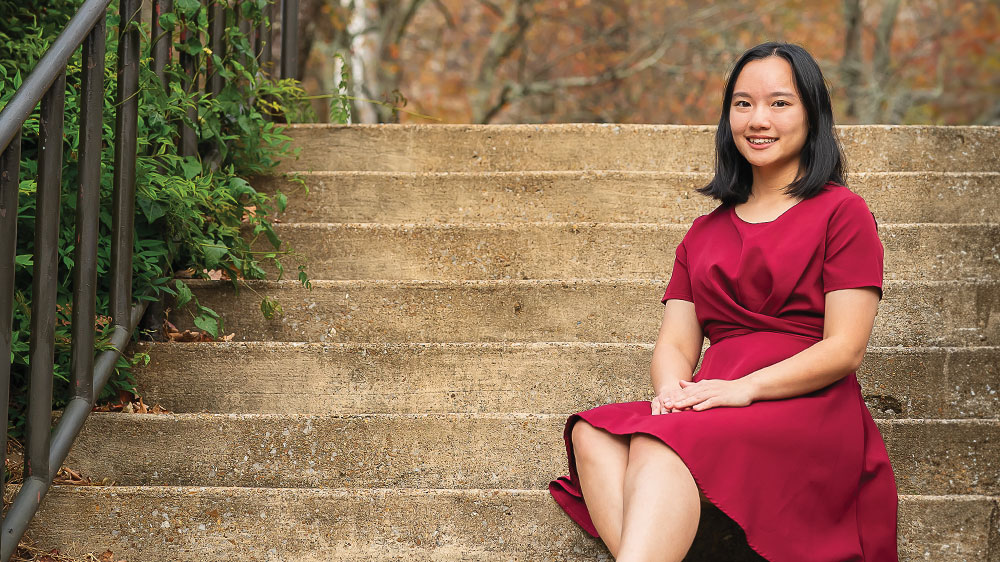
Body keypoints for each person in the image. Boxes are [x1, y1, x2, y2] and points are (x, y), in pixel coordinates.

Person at [548, 42, 899, 562]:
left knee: (657, 442)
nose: (758, 120)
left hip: (804, 405)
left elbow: (845, 349)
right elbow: (675, 343)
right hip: (714, 399)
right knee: (592, 433)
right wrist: (672, 391)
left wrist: (744, 389)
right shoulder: (703, 232)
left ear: (812, 114)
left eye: (780, 103)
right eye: (743, 103)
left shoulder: (842, 212)